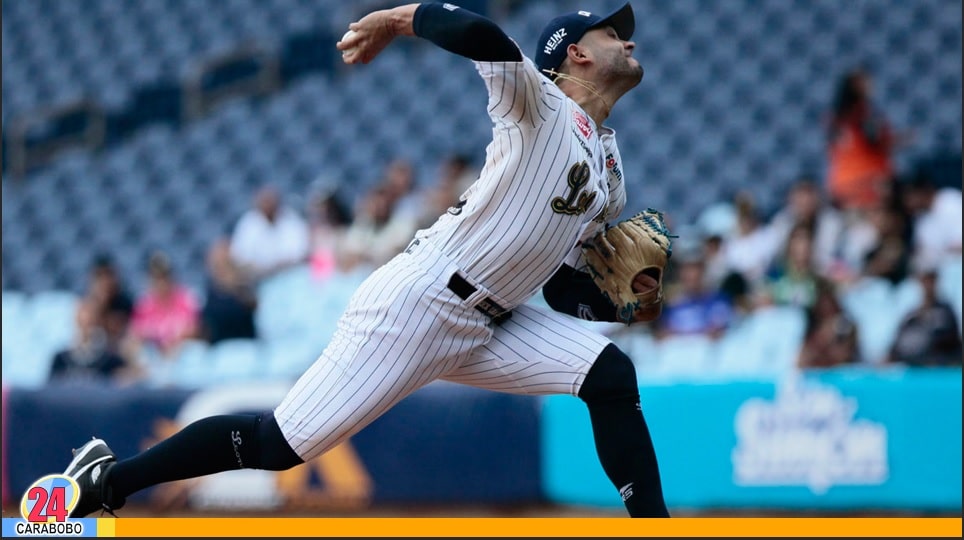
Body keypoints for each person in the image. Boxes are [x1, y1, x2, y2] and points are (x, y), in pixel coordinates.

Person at [59, 2, 669, 518]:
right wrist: (395, 20)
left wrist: (617, 301)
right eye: (612, 32)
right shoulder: (538, 105)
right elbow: (485, 38)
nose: (628, 38)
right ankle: (109, 480)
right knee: (278, 444)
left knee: (610, 376)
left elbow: (562, 288)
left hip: (497, 320)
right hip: (421, 302)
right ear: (576, 55)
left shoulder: (610, 171)